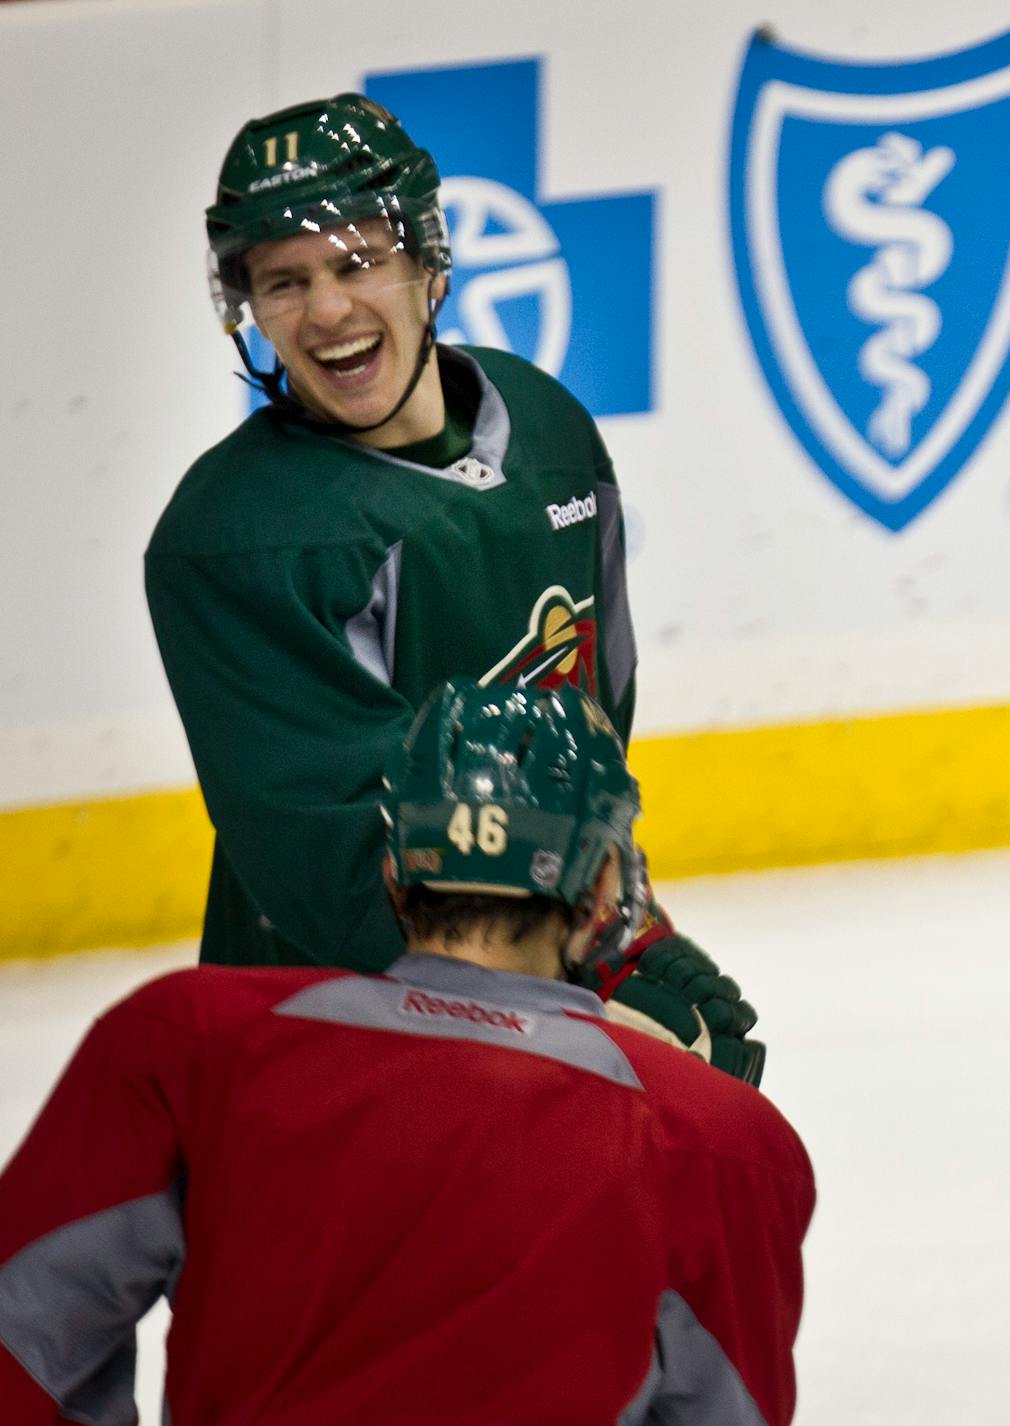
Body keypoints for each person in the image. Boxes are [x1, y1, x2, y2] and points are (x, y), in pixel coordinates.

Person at [144, 93, 760, 1080]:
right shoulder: (237, 539)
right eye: (286, 282)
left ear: (428, 263)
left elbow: (589, 728)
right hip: (328, 1050)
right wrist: (578, 1003)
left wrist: (621, 920)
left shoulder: (548, 427)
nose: (330, 310)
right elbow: (335, 871)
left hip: (527, 968)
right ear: (247, 307)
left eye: (358, 262)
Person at [0, 681, 813, 1425]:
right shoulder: (717, 1140)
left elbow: (23, 1333)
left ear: (394, 869)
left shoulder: (188, 1046)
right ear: (603, 892)